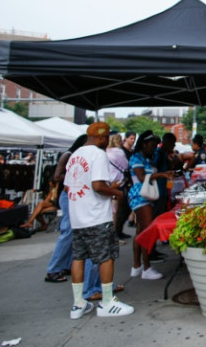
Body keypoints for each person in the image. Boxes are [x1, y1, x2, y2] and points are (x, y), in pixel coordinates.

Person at [65, 122, 133, 318]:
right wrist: (116, 193)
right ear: (102, 138)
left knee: (79, 258)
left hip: (78, 217)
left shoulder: (75, 154)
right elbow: (97, 186)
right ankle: (107, 302)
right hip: (96, 216)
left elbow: (68, 188)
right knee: (106, 257)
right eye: (106, 138)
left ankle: (78, 304)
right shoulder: (98, 154)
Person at [127, 130, 172, 280]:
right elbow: (140, 177)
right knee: (147, 232)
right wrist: (161, 175)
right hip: (140, 196)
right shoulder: (136, 157)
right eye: (152, 145)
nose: (154, 148)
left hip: (144, 196)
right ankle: (146, 268)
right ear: (144, 144)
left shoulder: (145, 158)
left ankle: (137, 266)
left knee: (140, 232)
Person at [44, 134, 87, 283]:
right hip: (67, 195)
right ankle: (53, 269)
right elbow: (57, 176)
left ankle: (65, 265)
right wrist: (78, 174)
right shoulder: (68, 155)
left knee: (73, 231)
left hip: (74, 195)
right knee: (68, 230)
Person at [107, 133, 132, 241]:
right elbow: (126, 165)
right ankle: (114, 234)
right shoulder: (119, 152)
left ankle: (110, 234)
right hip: (118, 183)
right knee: (116, 211)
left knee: (109, 210)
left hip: (107, 182)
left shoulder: (105, 152)